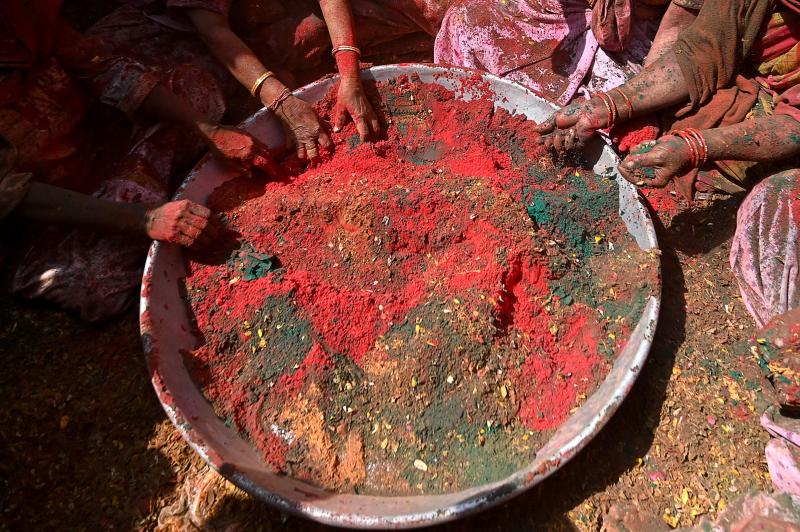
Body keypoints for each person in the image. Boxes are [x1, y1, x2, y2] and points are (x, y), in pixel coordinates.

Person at [535, 0, 800, 496]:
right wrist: (606, 106)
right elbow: (702, 50)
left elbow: (794, 122)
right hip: (745, 83)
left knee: (765, 206)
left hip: (779, 115)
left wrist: (696, 147)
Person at [0, 0, 277, 321]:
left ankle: (149, 191)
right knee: (97, 281)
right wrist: (145, 219)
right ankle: (149, 200)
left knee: (193, 90)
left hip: (99, 142)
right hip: (48, 217)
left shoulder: (21, 11)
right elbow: (11, 194)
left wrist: (208, 130)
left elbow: (103, 68)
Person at [87, 0, 453, 160]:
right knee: (193, 89)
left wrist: (350, 74)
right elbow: (212, 30)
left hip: (267, 10)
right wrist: (282, 101)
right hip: (183, 29)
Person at [433, 0, 703, 106]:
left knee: (614, 100)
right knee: (467, 21)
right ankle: (467, 108)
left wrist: (631, 102)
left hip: (636, 37)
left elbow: (675, 30)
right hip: (551, 12)